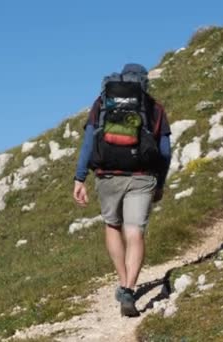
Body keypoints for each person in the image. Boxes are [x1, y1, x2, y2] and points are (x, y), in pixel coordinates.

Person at [73, 63, 172, 317]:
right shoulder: (153, 107)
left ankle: (122, 281)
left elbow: (88, 143)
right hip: (142, 177)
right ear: (144, 82)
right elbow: (164, 152)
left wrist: (80, 178)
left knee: (112, 225)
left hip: (108, 177)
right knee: (135, 231)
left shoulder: (102, 104)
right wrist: (159, 183)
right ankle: (129, 288)